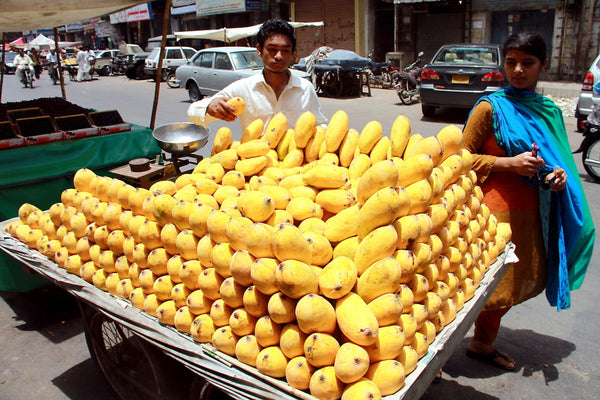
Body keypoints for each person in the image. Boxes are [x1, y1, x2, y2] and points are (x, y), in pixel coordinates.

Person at [461, 31, 595, 370]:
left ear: (543, 65)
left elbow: (557, 159)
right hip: (489, 217)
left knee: (504, 291)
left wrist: (558, 177)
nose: (518, 70)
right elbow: (458, 160)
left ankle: (482, 343)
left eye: (527, 63)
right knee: (472, 290)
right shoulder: (490, 108)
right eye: (511, 62)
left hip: (532, 215)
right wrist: (509, 164)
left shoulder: (548, 110)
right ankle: (434, 356)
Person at [187, 19, 328, 131]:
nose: (279, 56)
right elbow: (193, 113)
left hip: (295, 164)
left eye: (285, 50)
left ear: (293, 53)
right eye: (272, 49)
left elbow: (320, 124)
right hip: (255, 163)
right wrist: (210, 106)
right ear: (259, 50)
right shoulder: (244, 88)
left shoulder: (305, 89)